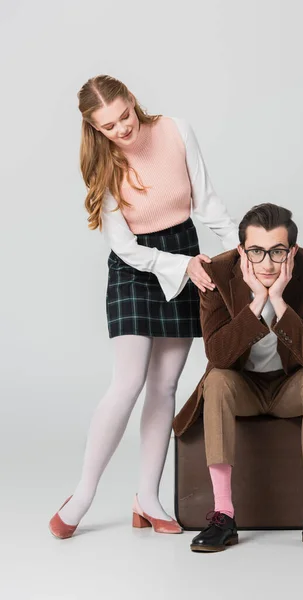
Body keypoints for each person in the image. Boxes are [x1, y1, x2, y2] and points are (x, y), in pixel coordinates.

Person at [49, 74, 239, 538]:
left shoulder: (176, 130)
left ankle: (147, 498)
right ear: (96, 129)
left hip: (185, 250)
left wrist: (241, 252)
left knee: (166, 385)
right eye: (109, 126)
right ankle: (84, 494)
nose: (122, 131)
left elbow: (207, 202)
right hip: (138, 267)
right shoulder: (104, 164)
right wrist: (183, 265)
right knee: (129, 381)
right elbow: (128, 248)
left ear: (133, 102)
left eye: (124, 117)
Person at [172, 203, 303, 552]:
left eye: (277, 252)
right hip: (243, 387)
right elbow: (219, 355)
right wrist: (257, 302)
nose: (267, 263)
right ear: (241, 250)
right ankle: (223, 516)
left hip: (290, 387)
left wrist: (280, 301)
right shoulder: (218, 273)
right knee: (217, 380)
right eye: (256, 251)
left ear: (293, 251)